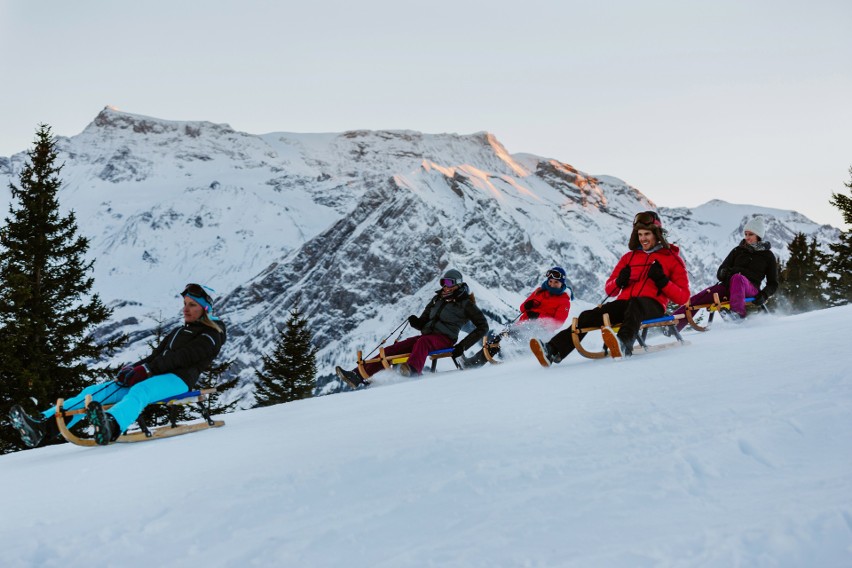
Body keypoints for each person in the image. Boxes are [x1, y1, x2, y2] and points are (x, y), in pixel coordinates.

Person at [8, 283, 227, 447]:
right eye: (185, 304)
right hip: (156, 373)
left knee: (142, 390)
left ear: (205, 309)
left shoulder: (211, 334)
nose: (185, 310)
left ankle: (111, 425)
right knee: (93, 392)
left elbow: (183, 357)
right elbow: (154, 357)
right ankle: (44, 425)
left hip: (178, 381)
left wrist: (147, 371)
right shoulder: (179, 331)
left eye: (192, 306)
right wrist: (134, 369)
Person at [530, 211, 690, 363]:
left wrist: (662, 280)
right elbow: (609, 289)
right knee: (587, 316)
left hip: (652, 306)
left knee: (636, 304)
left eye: (647, 234)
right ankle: (552, 350)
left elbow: (683, 297)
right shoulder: (629, 257)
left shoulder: (672, 259)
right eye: (639, 234)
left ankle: (622, 343)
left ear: (657, 234)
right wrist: (620, 281)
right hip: (625, 304)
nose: (643, 238)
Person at [336, 269, 488, 388]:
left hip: (445, 339)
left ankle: (413, 371)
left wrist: (462, 346)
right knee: (392, 350)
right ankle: (357, 376)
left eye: (448, 283)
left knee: (424, 342)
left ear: (458, 284)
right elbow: (423, 321)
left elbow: (483, 326)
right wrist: (416, 322)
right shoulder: (437, 300)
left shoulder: (466, 304)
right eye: (443, 283)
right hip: (426, 337)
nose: (444, 286)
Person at [672, 216, 778, 328]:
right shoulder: (738, 250)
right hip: (728, 286)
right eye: (746, 234)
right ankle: (674, 324)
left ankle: (737, 314)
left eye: (750, 234)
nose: (747, 237)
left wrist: (764, 294)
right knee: (700, 297)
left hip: (750, 288)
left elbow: (773, 283)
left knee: (738, 278)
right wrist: (724, 273)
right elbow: (721, 272)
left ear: (758, 235)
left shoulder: (767, 256)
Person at [464, 266, 572, 367]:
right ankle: (475, 361)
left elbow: (558, 322)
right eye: (551, 281)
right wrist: (527, 305)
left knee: (508, 342)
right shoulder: (539, 292)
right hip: (522, 325)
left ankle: (514, 362)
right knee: (498, 338)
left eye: (556, 282)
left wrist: (538, 316)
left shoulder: (564, 301)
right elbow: (522, 308)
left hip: (539, 331)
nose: (552, 285)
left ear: (562, 283)